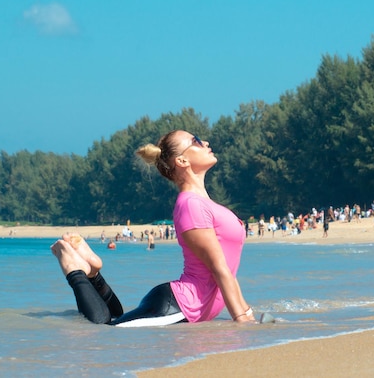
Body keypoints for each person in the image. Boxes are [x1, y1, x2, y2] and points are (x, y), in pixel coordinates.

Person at [51, 130, 255, 326]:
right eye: (197, 141)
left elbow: (226, 269)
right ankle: (74, 270)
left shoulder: (204, 204)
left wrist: (246, 313)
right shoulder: (191, 205)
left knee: (115, 321)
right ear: (182, 161)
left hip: (185, 307)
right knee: (103, 331)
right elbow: (218, 268)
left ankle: (93, 274)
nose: (206, 143)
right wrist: (243, 319)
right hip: (180, 306)